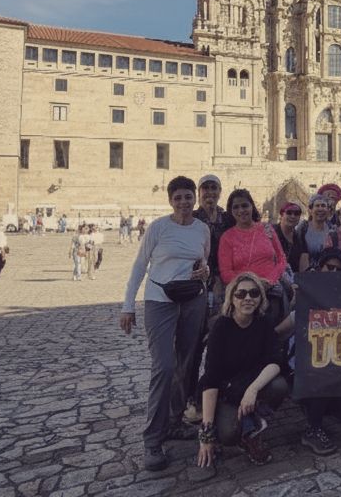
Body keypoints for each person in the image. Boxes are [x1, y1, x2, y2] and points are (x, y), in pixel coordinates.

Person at [120, 175, 211, 472]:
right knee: (164, 367)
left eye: (188, 197)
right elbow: (139, 265)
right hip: (160, 301)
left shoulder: (202, 229)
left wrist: (203, 273)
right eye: (178, 198)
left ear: (194, 199)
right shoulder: (158, 228)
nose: (184, 202)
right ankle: (152, 440)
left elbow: (203, 264)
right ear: (170, 200)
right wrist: (128, 306)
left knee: (186, 364)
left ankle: (174, 422)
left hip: (192, 300)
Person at [276, 248, 341, 455]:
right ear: (320, 268)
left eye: (338, 270)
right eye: (329, 267)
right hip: (306, 370)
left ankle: (314, 406)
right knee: (321, 371)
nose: (333, 272)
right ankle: (313, 428)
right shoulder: (305, 303)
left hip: (337, 370)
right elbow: (278, 333)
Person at [197, 272, 288, 468]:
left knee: (279, 385)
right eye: (241, 294)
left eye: (254, 293)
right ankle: (240, 427)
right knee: (228, 433)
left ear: (260, 298)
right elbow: (211, 379)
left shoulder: (263, 324)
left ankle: (252, 431)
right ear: (232, 299)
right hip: (226, 392)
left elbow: (275, 361)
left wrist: (252, 390)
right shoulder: (220, 327)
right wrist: (206, 434)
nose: (248, 298)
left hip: (250, 385)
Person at [217, 189, 288, 328]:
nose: (241, 210)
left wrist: (270, 280)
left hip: (271, 290)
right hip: (243, 295)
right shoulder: (227, 237)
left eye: (244, 205)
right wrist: (253, 284)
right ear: (230, 211)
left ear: (252, 207)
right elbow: (226, 273)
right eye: (235, 207)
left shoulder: (267, 229)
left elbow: (281, 259)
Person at [295, 194, 334, 273]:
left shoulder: (332, 229)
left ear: (328, 210)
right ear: (310, 210)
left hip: (328, 274)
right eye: (317, 206)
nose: (320, 209)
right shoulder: (303, 228)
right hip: (308, 274)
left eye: (323, 206)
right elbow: (301, 254)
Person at [273, 202, 305, 273]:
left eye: (296, 214)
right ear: (282, 215)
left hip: (293, 278)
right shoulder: (271, 233)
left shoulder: (299, 238)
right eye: (289, 213)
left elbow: (303, 264)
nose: (293, 216)